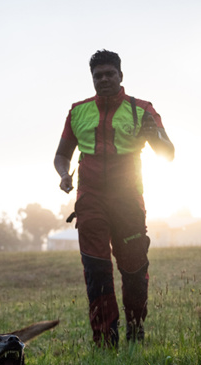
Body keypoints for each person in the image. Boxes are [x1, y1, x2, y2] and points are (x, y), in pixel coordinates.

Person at [54, 49, 174, 347]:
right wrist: (64, 175)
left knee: (134, 267)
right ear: (92, 79)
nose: (104, 79)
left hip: (128, 200)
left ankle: (135, 327)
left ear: (121, 76)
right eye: (98, 75)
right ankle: (105, 339)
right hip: (90, 200)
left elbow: (168, 153)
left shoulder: (142, 109)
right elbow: (60, 156)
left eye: (110, 74)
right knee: (96, 268)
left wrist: (155, 136)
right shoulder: (77, 111)